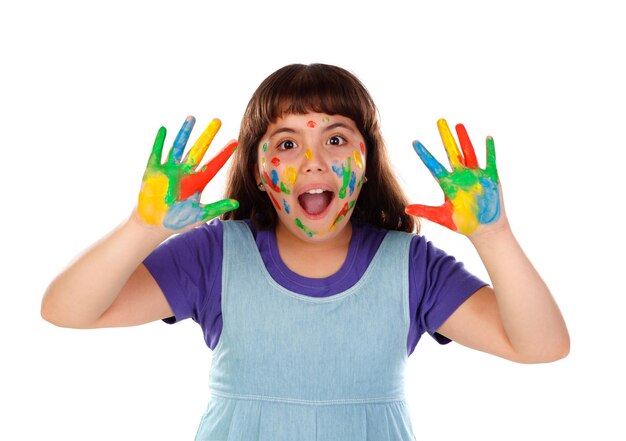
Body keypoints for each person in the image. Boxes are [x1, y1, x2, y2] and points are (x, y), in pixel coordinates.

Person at [41, 63, 569, 440]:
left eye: (336, 139)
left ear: (365, 162)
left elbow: (541, 346)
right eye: (288, 143)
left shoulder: (410, 264)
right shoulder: (215, 255)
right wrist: (143, 227)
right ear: (260, 172)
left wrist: (493, 236)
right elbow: (65, 311)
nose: (313, 162)